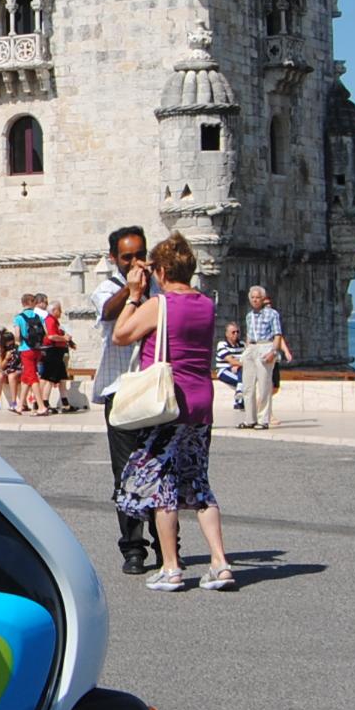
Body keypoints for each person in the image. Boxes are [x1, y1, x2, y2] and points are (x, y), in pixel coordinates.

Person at [109, 233, 239, 591]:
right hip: (201, 402)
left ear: (162, 271)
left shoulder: (159, 304)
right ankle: (220, 563)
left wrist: (133, 295)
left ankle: (171, 568)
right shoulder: (206, 304)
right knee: (199, 483)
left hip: (168, 403)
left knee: (162, 487)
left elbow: (121, 335)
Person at [90, 224, 159, 574]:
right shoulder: (107, 289)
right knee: (125, 473)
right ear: (113, 258)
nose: (135, 263)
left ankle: (166, 545)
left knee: (162, 469)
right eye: (127, 257)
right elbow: (107, 311)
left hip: (155, 390)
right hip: (120, 392)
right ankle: (133, 549)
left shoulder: (159, 288)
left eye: (140, 255)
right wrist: (132, 291)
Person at [238, 286, 290, 429]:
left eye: (258, 297)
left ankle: (263, 420)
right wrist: (246, 351)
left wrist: (273, 352)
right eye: (252, 297)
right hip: (252, 348)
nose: (255, 300)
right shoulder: (249, 316)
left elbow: (277, 334)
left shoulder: (272, 314)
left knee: (264, 386)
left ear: (263, 299)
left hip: (265, 346)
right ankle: (250, 419)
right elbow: (249, 335)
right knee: (248, 386)